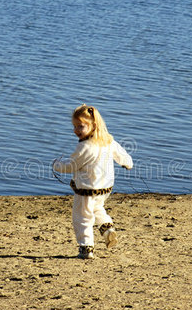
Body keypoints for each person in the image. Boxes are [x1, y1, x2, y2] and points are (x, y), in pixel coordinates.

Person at [53, 104, 133, 259]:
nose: (76, 130)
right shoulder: (108, 141)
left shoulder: (84, 147)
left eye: (80, 126)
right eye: (74, 126)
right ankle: (107, 229)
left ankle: (86, 248)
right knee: (96, 209)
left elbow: (71, 166)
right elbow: (122, 155)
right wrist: (127, 163)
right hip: (105, 188)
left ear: (93, 125)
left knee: (82, 217)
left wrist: (57, 165)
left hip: (86, 189)